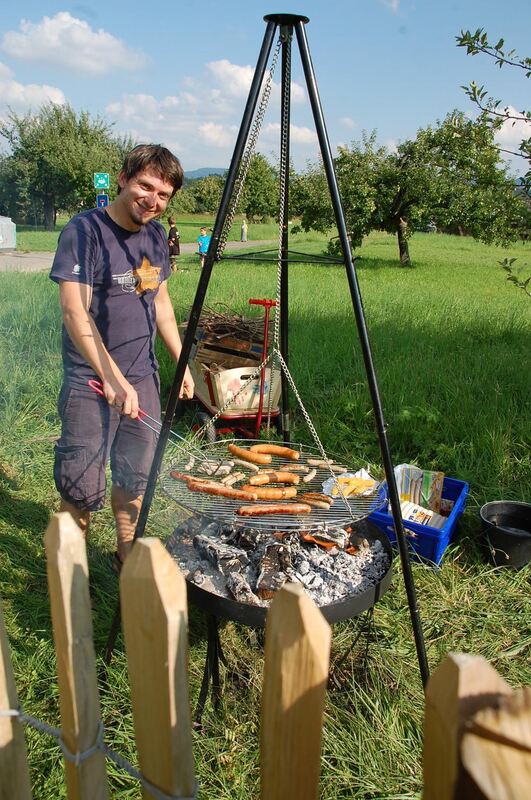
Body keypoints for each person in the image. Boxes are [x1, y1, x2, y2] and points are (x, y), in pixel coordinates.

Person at [49, 143, 194, 570]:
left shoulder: (153, 234)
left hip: (142, 378)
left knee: (135, 477)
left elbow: (161, 304)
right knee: (81, 487)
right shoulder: (85, 232)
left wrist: (182, 361)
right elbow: (75, 312)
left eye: (163, 195)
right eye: (145, 186)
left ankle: (126, 557)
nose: (152, 200)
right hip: (91, 382)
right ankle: (70, 581)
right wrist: (111, 377)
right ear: (123, 179)